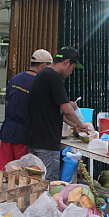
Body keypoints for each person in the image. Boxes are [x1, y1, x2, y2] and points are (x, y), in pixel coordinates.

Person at [25, 47, 88, 181]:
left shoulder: (43, 74)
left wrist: (74, 125)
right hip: (46, 141)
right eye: (73, 67)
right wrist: (81, 123)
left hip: (35, 138)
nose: (71, 72)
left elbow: (53, 111)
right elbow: (66, 109)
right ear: (66, 62)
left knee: (36, 179)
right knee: (48, 182)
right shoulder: (54, 77)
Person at [0, 49, 52, 170]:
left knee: (5, 171)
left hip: (7, 130)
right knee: (23, 173)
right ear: (44, 65)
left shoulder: (15, 79)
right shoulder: (39, 83)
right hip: (23, 133)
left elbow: (7, 102)